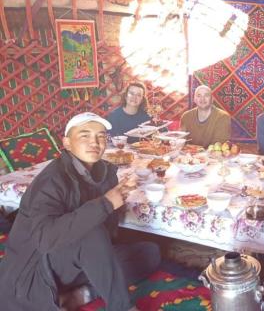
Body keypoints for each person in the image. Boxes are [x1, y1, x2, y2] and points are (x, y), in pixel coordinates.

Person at [0, 112, 160, 311]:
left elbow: (108, 233)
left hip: (77, 260)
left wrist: (112, 206)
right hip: (36, 271)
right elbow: (45, 239)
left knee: (149, 253)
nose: (95, 142)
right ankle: (122, 307)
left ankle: (83, 294)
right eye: (85, 135)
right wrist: (105, 204)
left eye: (101, 136)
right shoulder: (51, 181)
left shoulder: (106, 173)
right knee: (91, 232)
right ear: (67, 143)